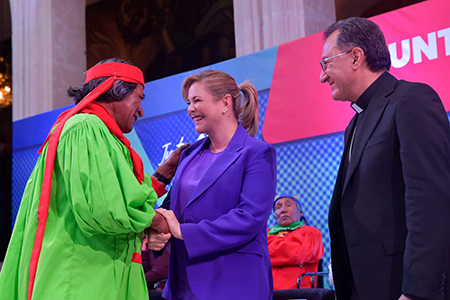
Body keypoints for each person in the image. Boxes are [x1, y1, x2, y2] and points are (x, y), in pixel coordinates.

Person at [0, 58, 188, 300]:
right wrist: (159, 221)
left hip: (98, 274)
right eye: (139, 97)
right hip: (80, 277)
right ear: (115, 91)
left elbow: (119, 197)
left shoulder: (99, 133)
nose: (141, 110)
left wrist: (166, 171)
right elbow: (107, 209)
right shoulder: (86, 127)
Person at [320, 17, 450, 300]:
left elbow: (430, 202)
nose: (322, 76)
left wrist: (418, 292)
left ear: (356, 57)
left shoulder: (412, 99)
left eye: (326, 63)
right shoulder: (353, 125)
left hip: (401, 287)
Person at [150, 70, 277, 300]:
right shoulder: (187, 155)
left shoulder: (257, 153)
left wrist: (183, 231)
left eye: (197, 100)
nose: (190, 109)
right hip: (182, 286)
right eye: (189, 102)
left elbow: (248, 218)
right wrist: (158, 232)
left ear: (225, 103)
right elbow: (171, 211)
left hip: (234, 285)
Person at [268, 193, 324, 290]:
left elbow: (297, 254)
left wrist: (272, 248)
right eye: (278, 207)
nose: (283, 210)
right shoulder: (266, 233)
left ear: (300, 212)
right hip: (267, 293)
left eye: (289, 205)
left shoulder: (311, 232)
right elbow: (257, 258)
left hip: (299, 293)